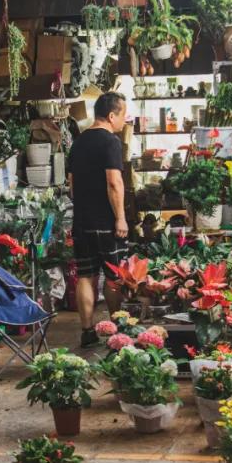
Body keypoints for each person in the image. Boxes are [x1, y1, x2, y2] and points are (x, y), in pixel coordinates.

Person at [68, 92, 128, 347]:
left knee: (85, 275)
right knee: (114, 276)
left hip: (82, 221)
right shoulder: (110, 142)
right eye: (123, 115)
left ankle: (87, 330)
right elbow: (114, 182)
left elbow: (72, 185)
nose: (125, 120)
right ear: (112, 115)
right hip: (106, 222)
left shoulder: (78, 142)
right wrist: (120, 218)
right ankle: (117, 328)